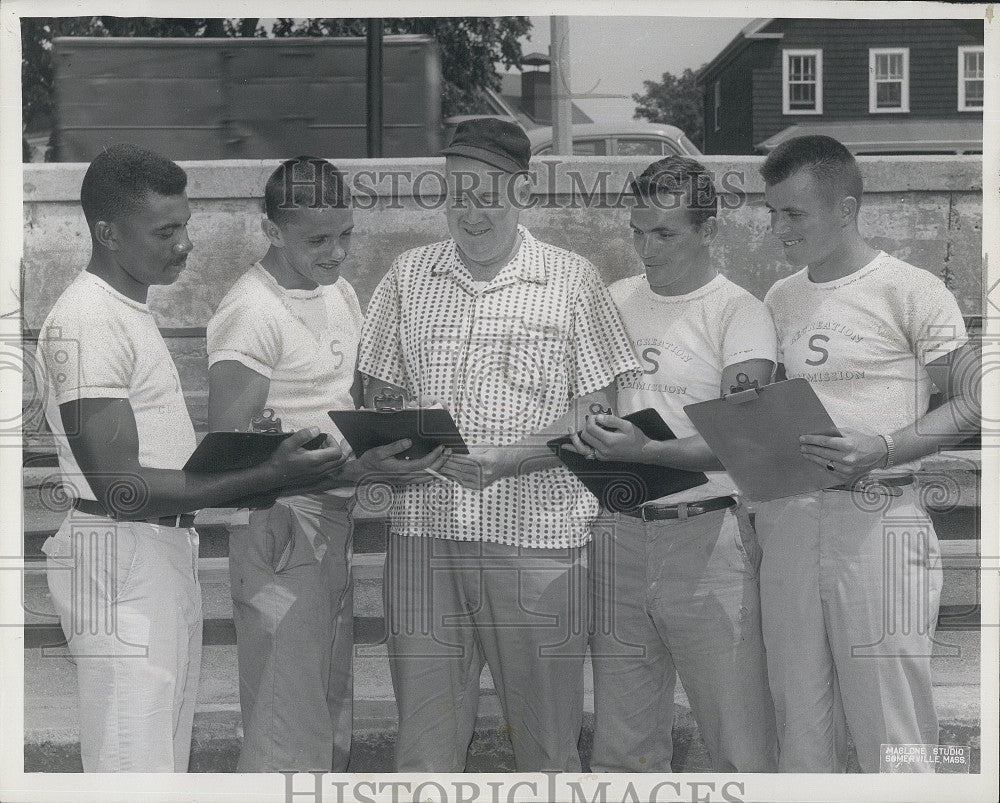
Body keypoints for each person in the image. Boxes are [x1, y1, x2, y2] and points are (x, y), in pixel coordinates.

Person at [35, 143, 349, 772]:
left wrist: (271, 470)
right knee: (132, 767)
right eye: (166, 230)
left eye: (185, 225)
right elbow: (120, 486)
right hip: (118, 553)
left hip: (158, 549)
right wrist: (268, 475)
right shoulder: (88, 318)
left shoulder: (126, 309)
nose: (184, 244)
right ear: (108, 233)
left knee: (161, 763)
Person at [357, 117, 641, 772]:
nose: (471, 210)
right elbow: (379, 393)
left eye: (487, 192)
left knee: (547, 745)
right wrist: (396, 431)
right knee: (424, 750)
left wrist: (508, 458)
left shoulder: (572, 279)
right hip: (424, 536)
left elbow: (598, 412)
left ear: (522, 191)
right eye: (458, 191)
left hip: (537, 541)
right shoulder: (407, 275)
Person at [206, 156, 446, 772]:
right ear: (272, 229)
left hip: (332, 514)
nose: (337, 252)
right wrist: (363, 470)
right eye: (317, 239)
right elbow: (231, 449)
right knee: (287, 718)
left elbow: (341, 396)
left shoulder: (337, 290)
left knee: (328, 703)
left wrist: (387, 424)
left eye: (345, 235)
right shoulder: (251, 309)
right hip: (282, 522)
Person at [757, 134, 980, 772]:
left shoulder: (911, 290)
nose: (778, 229)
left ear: (847, 209)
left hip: (883, 519)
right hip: (793, 520)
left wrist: (882, 448)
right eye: (772, 213)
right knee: (798, 714)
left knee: (894, 723)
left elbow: (975, 402)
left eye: (793, 214)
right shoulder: (780, 297)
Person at [568, 156, 778, 772]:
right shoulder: (612, 300)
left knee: (736, 734)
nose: (645, 248)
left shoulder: (740, 312)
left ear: (707, 231)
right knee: (623, 744)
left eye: (664, 233)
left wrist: (647, 451)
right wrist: (589, 426)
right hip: (618, 533)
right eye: (637, 231)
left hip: (707, 539)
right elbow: (587, 400)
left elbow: (747, 438)